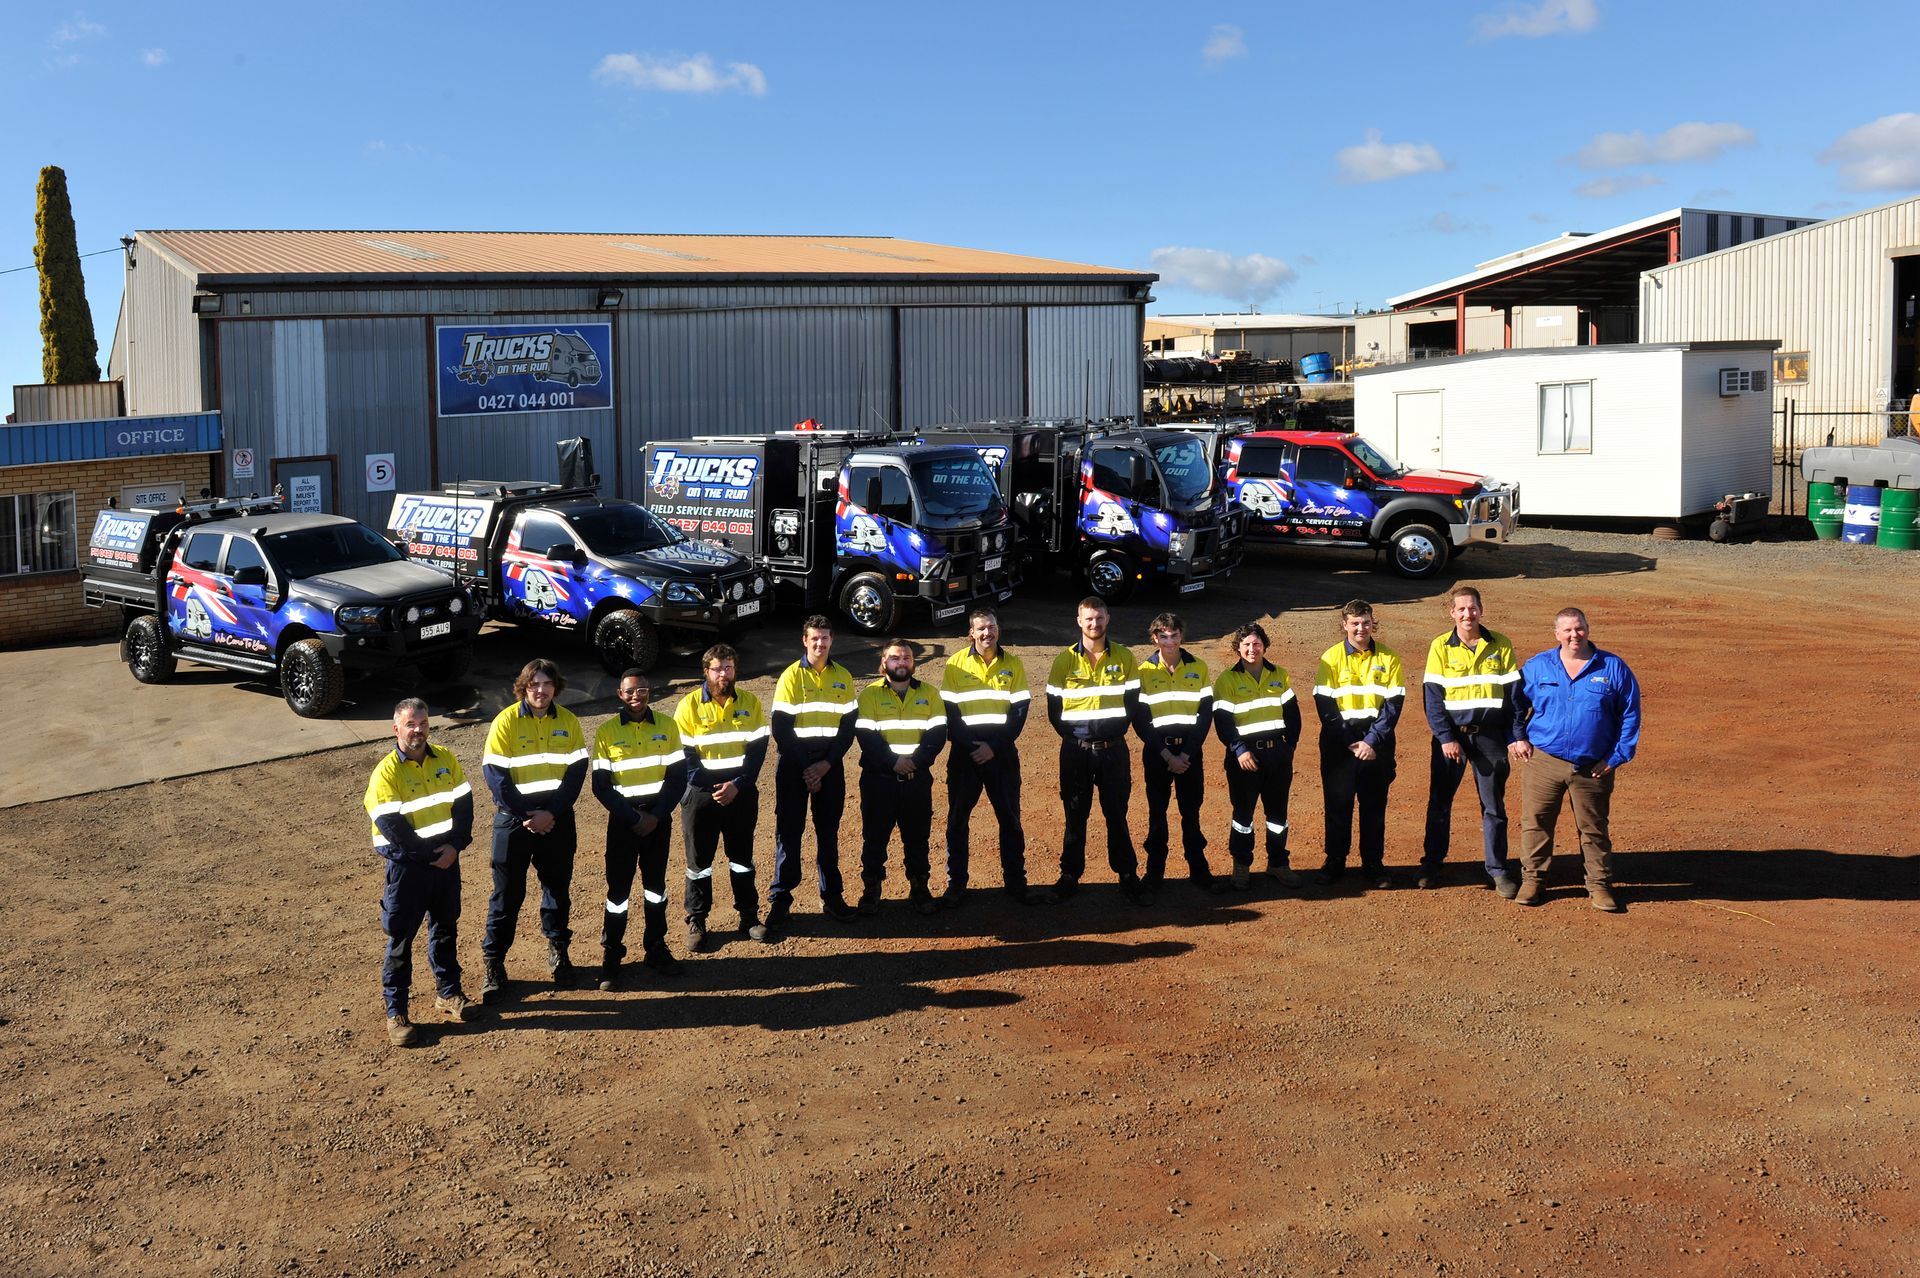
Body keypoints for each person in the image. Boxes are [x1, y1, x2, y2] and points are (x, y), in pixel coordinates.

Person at [1510, 607, 1642, 912]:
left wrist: (1617, 756)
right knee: (1536, 822)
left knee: (1593, 826)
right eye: (1567, 630)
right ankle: (1533, 880)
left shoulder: (1613, 668)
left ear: (1587, 628)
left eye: (1579, 628)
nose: (1574, 635)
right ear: (1556, 634)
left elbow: (1630, 714)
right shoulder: (1538, 667)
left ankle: (1598, 884)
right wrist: (1516, 737)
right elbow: (1514, 704)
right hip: (1544, 760)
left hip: (1594, 765)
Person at [364, 698, 475, 1047]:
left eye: (423, 722)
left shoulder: (446, 759)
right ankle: (396, 1012)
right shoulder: (386, 772)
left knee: (445, 928)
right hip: (408, 869)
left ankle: (448, 993)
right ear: (396, 729)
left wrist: (456, 846)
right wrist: (431, 855)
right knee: (400, 939)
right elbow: (392, 825)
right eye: (411, 724)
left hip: (445, 863)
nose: (418, 730)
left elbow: (465, 805)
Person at [480, 659, 588, 1002]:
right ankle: (494, 964)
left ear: (556, 687)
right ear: (523, 688)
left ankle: (559, 953)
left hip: (556, 820)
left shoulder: (569, 722)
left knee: (557, 889)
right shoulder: (505, 722)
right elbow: (496, 777)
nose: (541, 691)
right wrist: (528, 815)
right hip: (515, 822)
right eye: (534, 685)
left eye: (547, 684)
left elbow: (575, 774)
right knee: (506, 895)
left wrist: (550, 813)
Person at [1045, 597, 1153, 905]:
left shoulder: (1125, 657)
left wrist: (1113, 732)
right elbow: (1055, 709)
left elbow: (1134, 703)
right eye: (1089, 619)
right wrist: (1074, 737)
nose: (1095, 624)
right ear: (1079, 621)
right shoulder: (1064, 661)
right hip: (1076, 752)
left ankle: (1127, 875)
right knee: (1075, 816)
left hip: (1113, 751)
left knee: (1116, 815)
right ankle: (1069, 876)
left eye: (1099, 618)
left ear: (1108, 618)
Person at [1420, 585, 1523, 897]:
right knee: (1439, 802)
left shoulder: (1501, 645)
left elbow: (1515, 698)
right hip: (1452, 740)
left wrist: (1516, 737)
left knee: (1494, 806)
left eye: (1472, 608)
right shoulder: (1440, 646)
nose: (1468, 614)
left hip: (1490, 739)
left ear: (1481, 609)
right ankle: (1432, 863)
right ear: (1452, 613)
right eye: (1461, 609)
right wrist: (1445, 738)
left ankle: (1497, 869)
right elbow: (1433, 699)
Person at [590, 669, 689, 989]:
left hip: (657, 822)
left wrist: (655, 816)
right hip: (623, 823)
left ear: (650, 692)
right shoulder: (606, 732)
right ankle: (612, 955)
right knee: (617, 893)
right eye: (630, 691)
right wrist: (634, 819)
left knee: (655, 888)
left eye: (642, 690)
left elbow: (677, 778)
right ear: (620, 694)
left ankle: (656, 947)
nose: (636, 696)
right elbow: (601, 786)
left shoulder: (668, 726)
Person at [673, 644, 772, 948]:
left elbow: (757, 753)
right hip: (701, 796)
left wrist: (737, 785)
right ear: (706, 671)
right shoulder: (688, 706)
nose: (723, 674)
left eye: (728, 668)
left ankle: (749, 916)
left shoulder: (751, 703)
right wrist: (718, 788)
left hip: (740, 795)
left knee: (741, 859)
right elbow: (685, 759)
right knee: (698, 862)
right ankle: (697, 919)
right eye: (717, 668)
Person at [940, 606, 1038, 906]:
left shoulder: (1014, 665)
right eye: (981, 628)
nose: (987, 633)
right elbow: (950, 716)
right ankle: (956, 885)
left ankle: (1016, 882)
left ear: (998, 629)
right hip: (964, 758)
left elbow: (1019, 713)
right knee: (957, 821)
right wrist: (974, 748)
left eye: (991, 627)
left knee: (1010, 820)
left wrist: (993, 747)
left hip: (1002, 756)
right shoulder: (955, 665)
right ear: (971, 632)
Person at [768, 615, 860, 933]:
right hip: (794, 767)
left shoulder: (844, 677)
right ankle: (781, 899)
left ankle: (831, 895)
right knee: (788, 833)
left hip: (829, 767)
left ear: (832, 640)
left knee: (828, 833)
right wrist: (808, 767)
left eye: (825, 638)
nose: (820, 643)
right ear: (804, 640)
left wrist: (826, 764)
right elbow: (781, 727)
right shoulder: (790, 677)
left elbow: (848, 728)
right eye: (814, 638)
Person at [1312, 601, 1406, 889]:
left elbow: (1393, 705)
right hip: (1340, 744)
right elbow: (1325, 706)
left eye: (1365, 622)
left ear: (1372, 622)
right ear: (1345, 625)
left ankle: (1373, 863)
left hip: (1376, 744)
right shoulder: (1330, 658)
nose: (1360, 628)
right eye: (1355, 623)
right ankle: (1335, 861)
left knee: (1374, 806)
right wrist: (1352, 742)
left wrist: (1371, 741)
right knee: (1338, 805)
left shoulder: (1389, 658)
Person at [853, 639, 949, 914]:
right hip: (878, 782)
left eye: (906, 658)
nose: (902, 662)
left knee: (917, 837)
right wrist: (892, 762)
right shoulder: (870, 695)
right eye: (895, 658)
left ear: (913, 663)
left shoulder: (929, 694)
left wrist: (914, 762)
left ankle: (919, 887)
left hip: (916, 781)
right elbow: (867, 737)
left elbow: (937, 734)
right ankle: (871, 889)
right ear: (884, 663)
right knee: (874, 837)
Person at [1211, 622, 1303, 891]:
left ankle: (1278, 863)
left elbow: (1293, 715)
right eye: (1247, 644)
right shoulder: (1227, 680)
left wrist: (1289, 747)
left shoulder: (1280, 675)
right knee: (1243, 815)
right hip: (1244, 759)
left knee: (1278, 815)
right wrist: (1239, 749)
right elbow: (1223, 721)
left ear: (1264, 645)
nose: (1252, 649)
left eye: (1256, 643)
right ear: (1238, 648)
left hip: (1277, 756)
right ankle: (1241, 865)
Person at [1137, 612, 1219, 895]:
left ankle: (1199, 868)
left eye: (1174, 635)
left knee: (1191, 813)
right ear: (1155, 638)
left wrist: (1186, 753)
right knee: (1157, 814)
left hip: (1189, 754)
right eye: (1163, 636)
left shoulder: (1199, 667)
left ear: (1181, 636)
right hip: (1158, 754)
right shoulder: (1143, 672)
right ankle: (1154, 872)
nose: (1169, 641)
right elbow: (1141, 719)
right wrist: (1166, 755)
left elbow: (1205, 714)